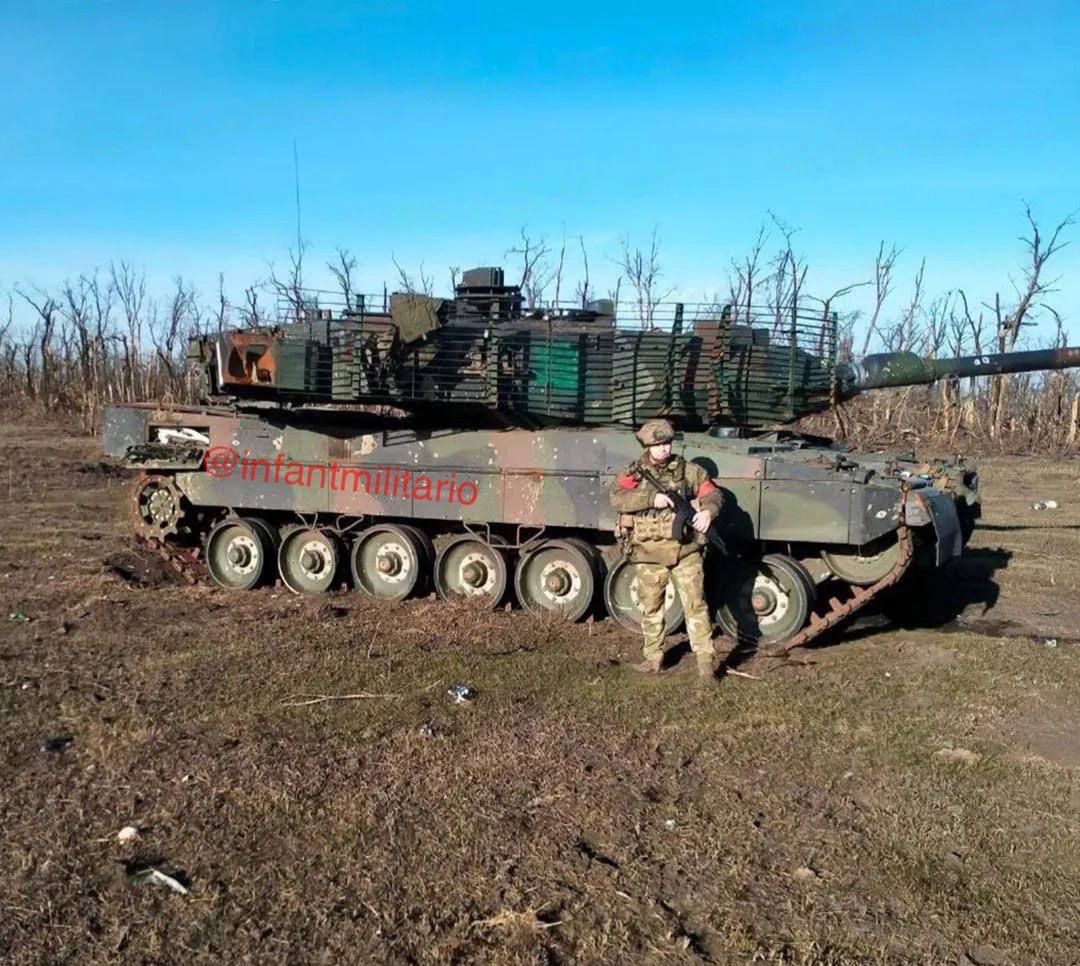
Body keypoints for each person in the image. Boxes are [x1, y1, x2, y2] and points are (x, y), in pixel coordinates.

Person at [609, 419, 725, 681]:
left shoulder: (690, 471)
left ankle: (706, 663)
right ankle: (653, 658)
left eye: (667, 443)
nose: (664, 448)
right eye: (658, 444)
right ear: (648, 445)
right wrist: (651, 498)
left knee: (696, 605)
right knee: (651, 608)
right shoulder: (634, 473)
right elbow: (616, 498)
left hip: (685, 551)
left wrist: (708, 512)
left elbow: (713, 494)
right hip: (648, 552)